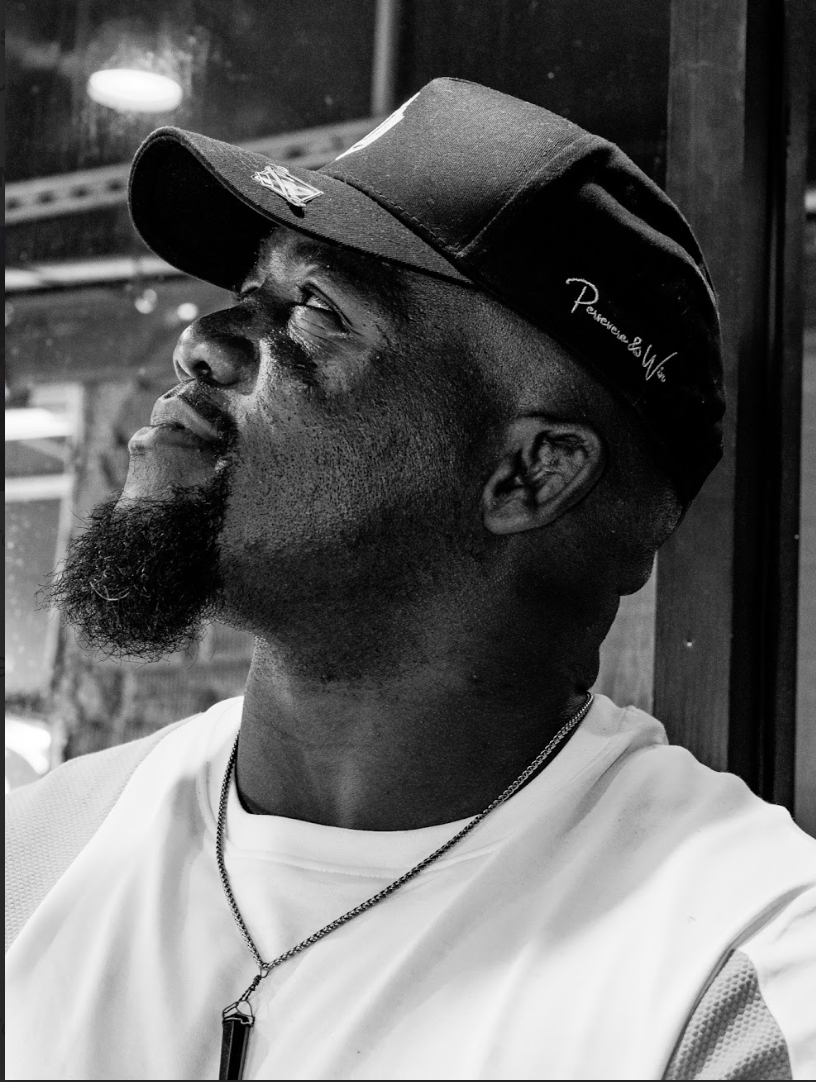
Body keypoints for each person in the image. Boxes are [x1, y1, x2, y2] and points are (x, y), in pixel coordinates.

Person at [5, 78, 815, 1081]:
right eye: (252, 292)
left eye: (316, 311)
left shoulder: (731, 981)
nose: (202, 339)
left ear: (529, 473)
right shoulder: (35, 861)